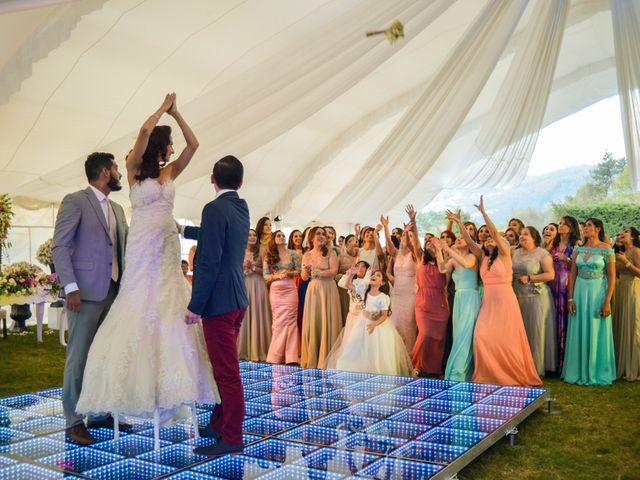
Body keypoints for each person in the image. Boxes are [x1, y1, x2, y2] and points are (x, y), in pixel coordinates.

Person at [76, 94, 219, 431]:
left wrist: (178, 113)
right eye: (168, 145)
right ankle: (132, 388)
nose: (172, 150)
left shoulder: (171, 171)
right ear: (160, 145)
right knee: (140, 303)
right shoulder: (134, 170)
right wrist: (162, 109)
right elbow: (143, 130)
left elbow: (194, 144)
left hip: (168, 246)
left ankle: (170, 388)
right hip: (142, 247)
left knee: (169, 305)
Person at [52, 152, 129, 445]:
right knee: (79, 357)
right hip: (82, 294)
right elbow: (60, 246)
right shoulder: (76, 201)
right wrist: (70, 286)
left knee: (104, 356)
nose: (120, 173)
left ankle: (97, 412)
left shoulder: (119, 209)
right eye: (117, 168)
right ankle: (73, 420)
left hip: (113, 293)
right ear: (106, 172)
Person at [187, 154, 250, 456]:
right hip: (237, 299)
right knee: (222, 369)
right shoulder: (241, 206)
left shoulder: (212, 209)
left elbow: (209, 260)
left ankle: (232, 437)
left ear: (212, 179)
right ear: (240, 182)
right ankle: (217, 423)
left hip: (219, 304)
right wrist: (187, 231)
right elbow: (222, 237)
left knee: (226, 373)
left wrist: (195, 305)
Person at [451, 199, 541, 386]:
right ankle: (488, 374)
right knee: (482, 336)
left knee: (506, 340)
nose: (490, 239)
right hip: (488, 302)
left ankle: (509, 374)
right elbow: (468, 240)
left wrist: (484, 213)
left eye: (493, 238)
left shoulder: (504, 255)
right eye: (488, 239)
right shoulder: (482, 256)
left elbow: (493, 233)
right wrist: (459, 223)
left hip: (505, 301)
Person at [326, 270, 412, 376]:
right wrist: (351, 274)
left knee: (376, 351)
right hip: (363, 323)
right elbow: (348, 285)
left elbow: (384, 315)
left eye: (378, 275)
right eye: (373, 274)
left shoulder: (383, 297)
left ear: (383, 282)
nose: (374, 276)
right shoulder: (364, 291)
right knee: (357, 346)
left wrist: (374, 324)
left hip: (378, 326)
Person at [562, 218, 616, 386]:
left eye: (589, 226)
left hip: (597, 292)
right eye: (584, 226)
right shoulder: (578, 248)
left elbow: (612, 277)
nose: (585, 228)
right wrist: (570, 297)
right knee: (579, 326)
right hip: (579, 292)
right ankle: (577, 370)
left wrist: (607, 300)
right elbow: (572, 274)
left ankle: (597, 370)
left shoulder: (607, 249)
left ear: (598, 229)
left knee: (596, 327)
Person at [407, 205, 449, 376]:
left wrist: (439, 250)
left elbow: (444, 270)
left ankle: (433, 368)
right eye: (428, 242)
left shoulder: (444, 260)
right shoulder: (420, 258)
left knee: (438, 338)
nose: (430, 244)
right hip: (424, 301)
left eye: (433, 242)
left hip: (440, 303)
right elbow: (415, 239)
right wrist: (413, 221)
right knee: (424, 334)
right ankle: (417, 364)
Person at [432, 234, 480, 382]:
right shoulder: (453, 260)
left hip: (470, 297)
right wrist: (439, 250)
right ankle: (459, 370)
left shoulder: (472, 257)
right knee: (458, 335)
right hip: (458, 299)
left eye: (461, 238)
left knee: (465, 336)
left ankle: (458, 373)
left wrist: (447, 248)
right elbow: (441, 269)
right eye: (457, 238)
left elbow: (465, 263)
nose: (458, 240)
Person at [511, 226, 556, 376]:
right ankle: (520, 366)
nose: (522, 237)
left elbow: (550, 275)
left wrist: (531, 278)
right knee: (519, 333)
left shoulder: (542, 254)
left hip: (537, 298)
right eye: (521, 234)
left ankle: (536, 368)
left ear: (534, 238)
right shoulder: (514, 252)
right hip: (517, 298)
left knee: (536, 332)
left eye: (526, 234)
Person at [300, 226, 342, 368]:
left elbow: (334, 271)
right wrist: (306, 272)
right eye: (318, 234)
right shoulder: (307, 255)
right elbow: (304, 277)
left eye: (323, 234)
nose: (321, 236)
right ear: (311, 237)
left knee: (327, 320)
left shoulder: (331, 253)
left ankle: (327, 356)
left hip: (328, 289)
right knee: (314, 321)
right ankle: (313, 355)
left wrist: (318, 273)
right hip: (313, 290)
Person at [380, 215, 417, 353]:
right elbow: (389, 242)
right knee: (395, 324)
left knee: (408, 326)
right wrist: (385, 226)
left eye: (408, 238)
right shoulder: (396, 254)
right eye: (403, 238)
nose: (405, 240)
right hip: (397, 293)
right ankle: (396, 355)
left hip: (410, 294)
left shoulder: (414, 255)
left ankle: (410, 355)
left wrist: (408, 231)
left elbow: (412, 245)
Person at [264, 230, 301, 365]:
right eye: (278, 236)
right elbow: (266, 276)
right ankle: (275, 355)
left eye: (283, 235)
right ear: (274, 239)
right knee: (278, 322)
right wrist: (277, 276)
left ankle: (291, 357)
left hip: (290, 289)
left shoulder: (293, 254)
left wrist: (289, 273)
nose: (282, 237)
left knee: (291, 320)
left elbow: (299, 271)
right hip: (276, 292)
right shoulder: (269, 256)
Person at [549, 215, 580, 370]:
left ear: (571, 228)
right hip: (552, 284)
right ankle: (553, 361)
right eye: (559, 223)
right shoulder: (553, 244)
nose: (560, 226)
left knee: (566, 321)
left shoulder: (577, 245)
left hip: (568, 283)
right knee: (553, 319)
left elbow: (580, 267)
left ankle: (565, 363)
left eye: (564, 224)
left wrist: (567, 259)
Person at [237, 229, 271, 361]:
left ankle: (260, 349)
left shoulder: (262, 252)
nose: (252, 237)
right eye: (249, 234)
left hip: (258, 284)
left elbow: (267, 271)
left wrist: (254, 268)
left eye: (254, 235)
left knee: (258, 313)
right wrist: (243, 268)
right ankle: (243, 349)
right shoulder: (238, 251)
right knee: (244, 314)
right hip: (244, 284)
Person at [613, 227, 640, 381]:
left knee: (633, 324)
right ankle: (622, 364)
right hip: (621, 290)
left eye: (626, 232)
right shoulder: (619, 252)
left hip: (633, 289)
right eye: (621, 231)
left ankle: (634, 366)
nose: (621, 234)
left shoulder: (636, 251)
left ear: (634, 237)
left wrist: (626, 263)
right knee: (623, 324)